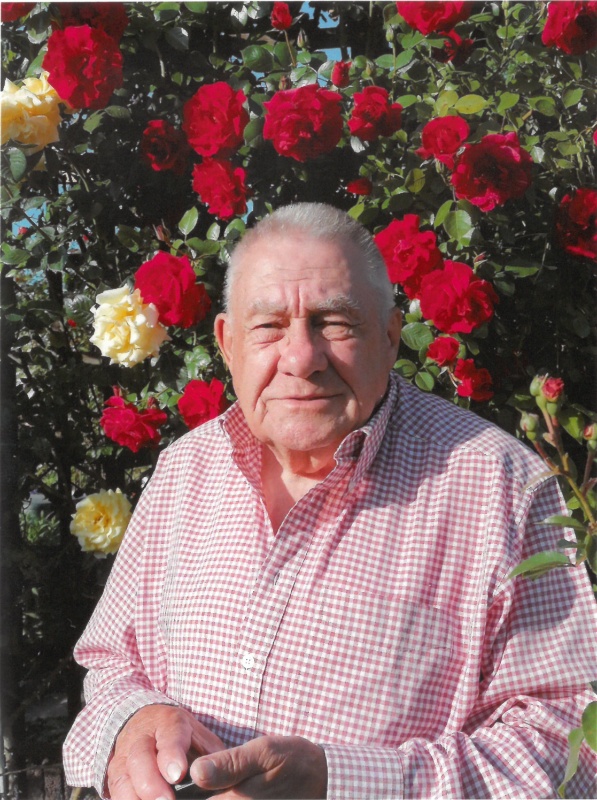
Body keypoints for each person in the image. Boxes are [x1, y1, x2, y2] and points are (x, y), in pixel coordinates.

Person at [63, 203, 597, 800]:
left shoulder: (499, 486)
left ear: (390, 337)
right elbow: (112, 661)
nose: (301, 358)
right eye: (269, 326)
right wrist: (133, 720)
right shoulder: (186, 470)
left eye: (334, 322)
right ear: (228, 343)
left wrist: (341, 783)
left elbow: (573, 745)